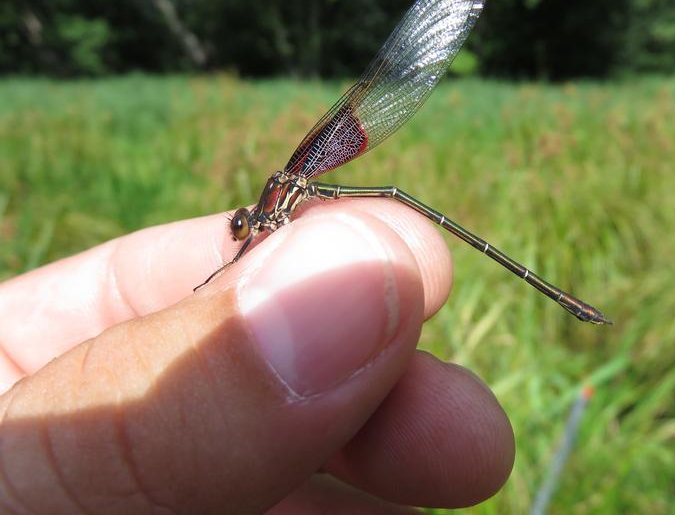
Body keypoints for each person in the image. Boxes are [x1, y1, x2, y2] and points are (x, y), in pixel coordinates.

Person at [0, 198, 515, 513]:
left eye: (245, 225)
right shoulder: (270, 212)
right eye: (244, 227)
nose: (243, 231)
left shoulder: (278, 201)